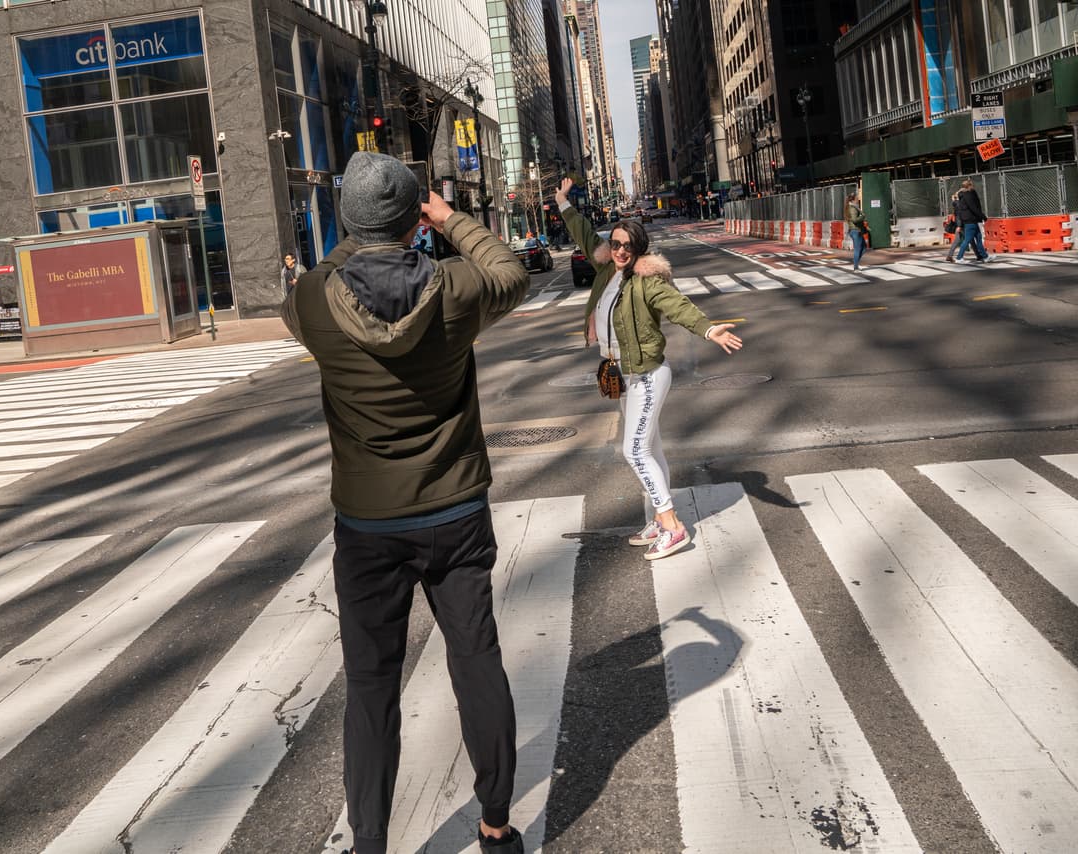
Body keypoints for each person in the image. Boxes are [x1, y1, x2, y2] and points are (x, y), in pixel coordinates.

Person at [282, 151, 531, 854]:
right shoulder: (454, 288)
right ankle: (495, 822)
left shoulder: (313, 301)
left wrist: (355, 231)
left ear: (347, 222)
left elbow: (316, 282)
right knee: (477, 661)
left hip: (366, 526)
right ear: (413, 216)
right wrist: (448, 219)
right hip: (454, 512)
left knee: (370, 686)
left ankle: (369, 842)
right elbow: (511, 272)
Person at [554, 176, 744, 560]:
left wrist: (708, 329)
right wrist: (561, 200)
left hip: (646, 375)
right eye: (616, 243)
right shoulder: (607, 270)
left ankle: (672, 525)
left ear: (639, 248)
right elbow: (583, 232)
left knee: (635, 450)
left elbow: (679, 306)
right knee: (651, 448)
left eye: (627, 245)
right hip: (623, 375)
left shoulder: (647, 281)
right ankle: (662, 520)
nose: (620, 250)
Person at [954, 179, 991, 263]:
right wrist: (983, 216)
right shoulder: (968, 195)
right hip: (971, 220)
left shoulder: (962, 196)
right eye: (972, 185)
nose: (973, 186)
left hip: (969, 220)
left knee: (978, 238)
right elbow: (973, 208)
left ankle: (985, 256)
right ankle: (959, 258)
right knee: (967, 240)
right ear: (969, 186)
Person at [844, 190, 867, 271]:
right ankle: (856, 267)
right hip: (855, 231)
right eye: (857, 197)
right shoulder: (853, 208)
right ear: (853, 199)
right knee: (858, 248)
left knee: (864, 248)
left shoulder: (853, 207)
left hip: (856, 230)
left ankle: (855, 261)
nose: (858, 198)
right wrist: (862, 216)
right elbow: (854, 220)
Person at [944, 191, 963, 262]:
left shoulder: (956, 203)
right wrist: (959, 226)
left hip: (959, 225)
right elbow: (958, 216)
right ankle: (953, 256)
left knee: (959, 240)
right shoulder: (958, 204)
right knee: (958, 240)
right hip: (960, 225)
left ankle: (950, 256)